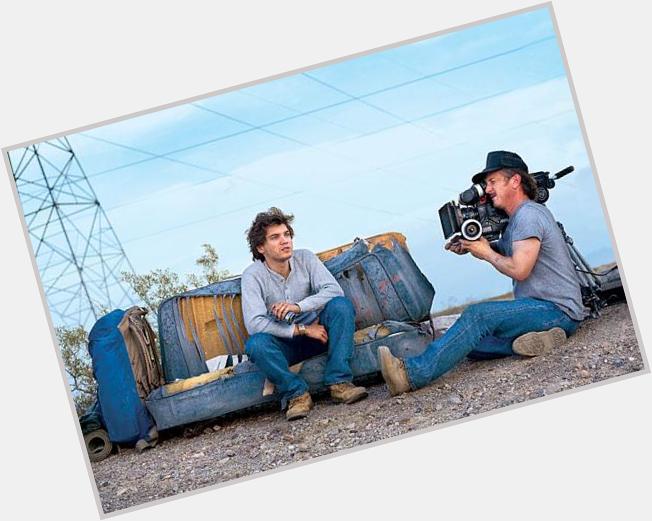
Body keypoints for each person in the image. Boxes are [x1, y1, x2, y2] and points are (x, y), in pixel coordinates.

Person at [379, 150, 587, 395]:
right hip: (541, 312)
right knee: (470, 343)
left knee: (478, 316)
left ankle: (410, 375)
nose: (487, 189)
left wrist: (486, 253)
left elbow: (520, 269)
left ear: (515, 181)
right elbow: (506, 251)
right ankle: (545, 338)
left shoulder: (529, 215)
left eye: (492, 182)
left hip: (556, 310)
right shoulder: (516, 220)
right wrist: (471, 248)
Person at [241, 207, 368, 420]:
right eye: (275, 237)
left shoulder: (305, 258)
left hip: (322, 333)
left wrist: (298, 306)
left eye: (287, 235)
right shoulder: (253, 275)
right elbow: (254, 323)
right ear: (261, 247)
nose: (285, 241)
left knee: (341, 306)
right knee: (256, 345)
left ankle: (339, 383)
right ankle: (297, 395)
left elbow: (333, 290)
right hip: (286, 345)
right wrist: (301, 329)